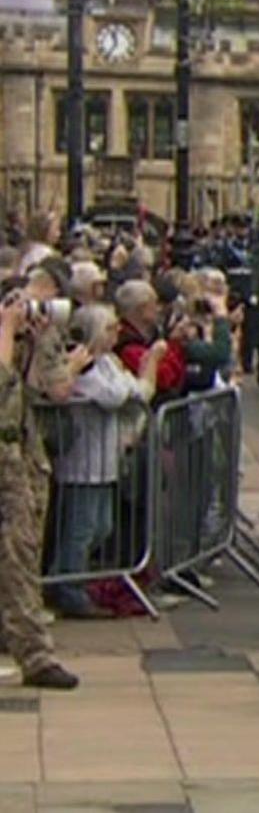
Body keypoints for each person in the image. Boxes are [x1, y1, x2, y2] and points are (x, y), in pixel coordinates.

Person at [46, 304, 155, 618]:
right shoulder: (82, 366)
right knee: (80, 529)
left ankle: (63, 576)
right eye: (109, 328)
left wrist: (130, 383)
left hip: (106, 461)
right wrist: (132, 382)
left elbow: (133, 390)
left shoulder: (108, 362)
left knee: (103, 526)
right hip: (82, 464)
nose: (116, 333)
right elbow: (115, 396)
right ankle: (68, 587)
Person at [0, 282, 80, 688]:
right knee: (16, 560)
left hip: (21, 462)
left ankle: (30, 649)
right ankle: (35, 654)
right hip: (5, 464)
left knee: (22, 557)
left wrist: (35, 342)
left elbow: (35, 390)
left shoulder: (14, 346)